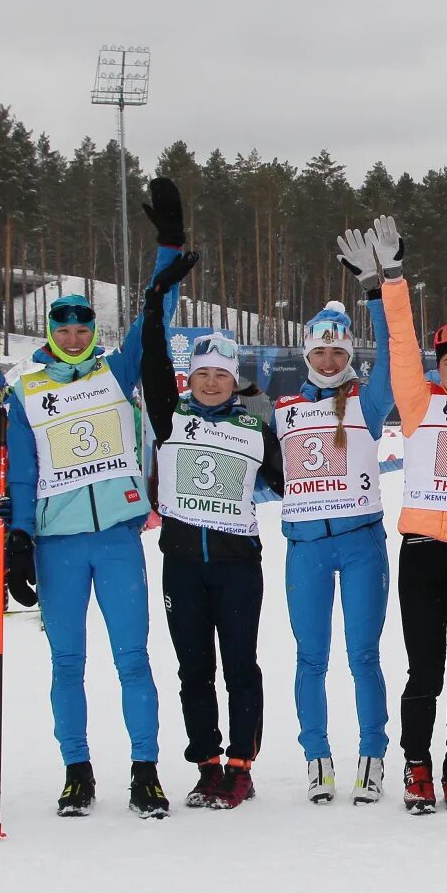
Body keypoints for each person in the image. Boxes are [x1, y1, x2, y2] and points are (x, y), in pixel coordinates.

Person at [3, 178, 189, 818]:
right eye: (64, 323)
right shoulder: (24, 390)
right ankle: (77, 771)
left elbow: (154, 313)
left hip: (115, 537)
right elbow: (21, 474)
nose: (76, 332)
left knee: (133, 659)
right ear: (50, 329)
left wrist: (168, 248)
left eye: (84, 322)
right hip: (57, 545)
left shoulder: (117, 369)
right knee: (68, 663)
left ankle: (145, 770)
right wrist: (20, 537)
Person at [347, 216, 447, 814]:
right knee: (425, 672)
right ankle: (417, 765)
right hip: (423, 553)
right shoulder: (419, 405)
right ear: (439, 369)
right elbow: (397, 341)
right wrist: (393, 279)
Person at [140, 267, 283, 811]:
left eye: (223, 375)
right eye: (203, 374)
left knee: (240, 664)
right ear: (191, 377)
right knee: (194, 667)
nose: (213, 382)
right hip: (182, 562)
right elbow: (153, 363)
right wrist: (155, 302)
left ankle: (241, 768)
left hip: (237, 565)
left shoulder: (253, 426)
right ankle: (207, 765)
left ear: (234, 379)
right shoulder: (169, 417)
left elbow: (290, 481)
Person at [273, 279, 396, 806]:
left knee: (363, 656)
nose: (327, 360)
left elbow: (395, 355)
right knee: (310, 658)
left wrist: (376, 298)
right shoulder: (282, 409)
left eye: (338, 351)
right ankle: (316, 760)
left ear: (350, 352)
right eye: (319, 351)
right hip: (306, 549)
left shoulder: (367, 402)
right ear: (307, 352)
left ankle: (372, 759)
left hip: (360, 542)